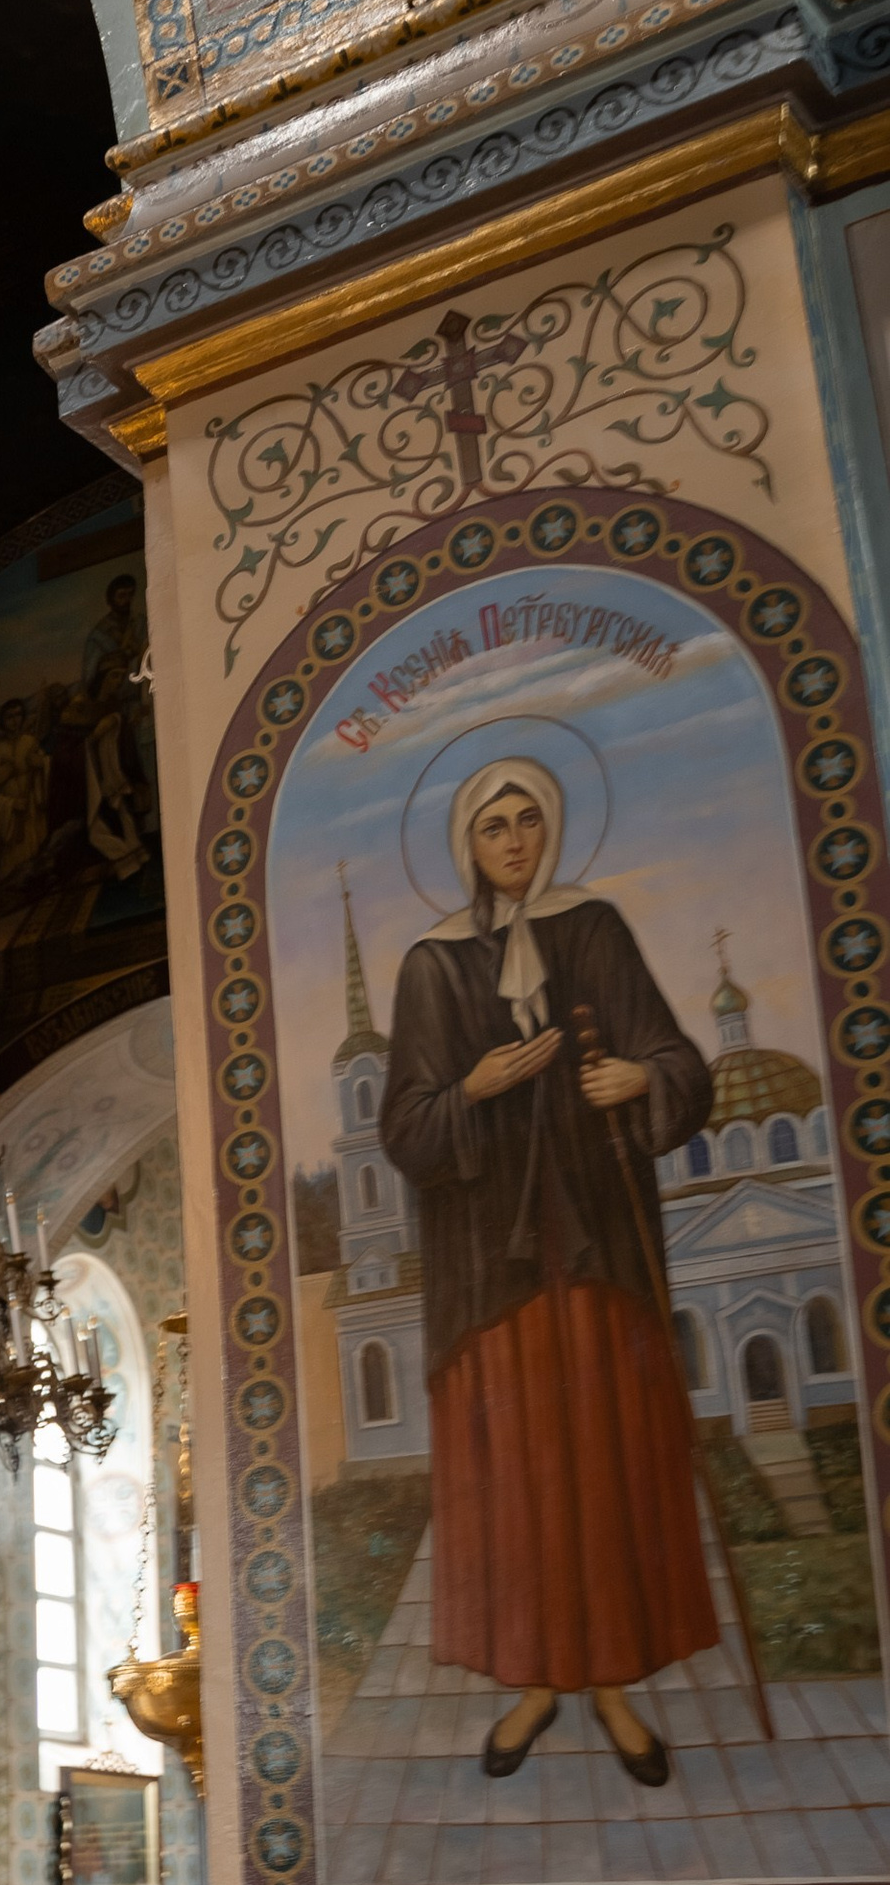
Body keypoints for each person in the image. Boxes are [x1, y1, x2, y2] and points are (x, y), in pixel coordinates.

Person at [379, 757, 715, 1786]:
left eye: (529, 820)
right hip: (494, 1270)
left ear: (552, 828)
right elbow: (405, 1129)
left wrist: (641, 1078)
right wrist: (473, 1089)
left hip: (599, 1246)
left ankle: (611, 1685)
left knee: (606, 1462)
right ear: (467, 845)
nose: (515, 841)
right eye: (495, 827)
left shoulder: (593, 931)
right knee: (518, 1475)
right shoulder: (433, 968)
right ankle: (532, 1683)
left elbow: (681, 1064)